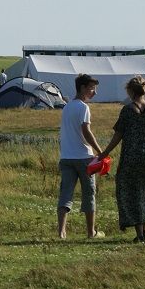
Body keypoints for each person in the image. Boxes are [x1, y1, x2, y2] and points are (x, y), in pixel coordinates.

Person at [97, 75, 145, 243]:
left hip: (132, 157)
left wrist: (104, 153)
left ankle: (140, 232)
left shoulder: (128, 110)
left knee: (129, 191)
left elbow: (118, 136)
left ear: (130, 91)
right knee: (143, 191)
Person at [57, 74, 104, 239]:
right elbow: (86, 131)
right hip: (84, 157)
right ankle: (91, 232)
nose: (94, 92)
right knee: (89, 193)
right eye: (92, 88)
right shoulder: (83, 107)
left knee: (66, 193)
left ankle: (61, 231)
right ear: (82, 88)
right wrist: (100, 151)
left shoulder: (67, 107)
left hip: (66, 157)